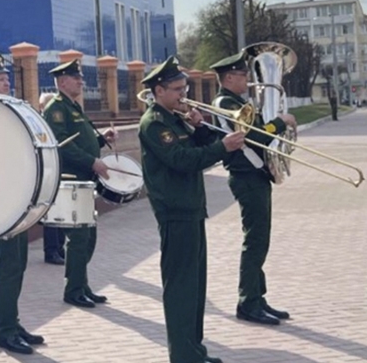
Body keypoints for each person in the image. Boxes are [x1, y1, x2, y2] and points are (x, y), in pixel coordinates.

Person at [139, 56, 244, 363]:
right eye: (176, 89)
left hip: (191, 208)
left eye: (183, 87)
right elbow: (183, 161)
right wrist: (221, 146)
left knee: (195, 285)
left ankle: (194, 350)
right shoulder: (155, 123)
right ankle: (183, 355)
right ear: (158, 90)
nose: (183, 95)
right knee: (181, 287)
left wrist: (200, 129)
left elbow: (200, 151)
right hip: (175, 212)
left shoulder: (173, 118)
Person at [210, 50, 297, 326]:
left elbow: (257, 131)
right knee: (255, 240)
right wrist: (281, 122)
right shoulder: (225, 103)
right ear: (230, 77)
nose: (248, 78)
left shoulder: (239, 101)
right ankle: (248, 301)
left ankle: (257, 297)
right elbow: (254, 137)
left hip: (256, 176)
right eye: (243, 74)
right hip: (246, 176)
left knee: (261, 239)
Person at [0, 53, 45, 355]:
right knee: (7, 265)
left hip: (17, 197)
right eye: (0, 77)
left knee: (17, 262)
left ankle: (12, 322)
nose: (7, 80)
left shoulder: (9, 111)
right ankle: (3, 329)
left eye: (7, 77)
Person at [42, 58, 116, 308]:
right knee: (78, 238)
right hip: (72, 180)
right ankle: (73, 290)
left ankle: (81, 285)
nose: (80, 81)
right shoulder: (56, 109)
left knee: (88, 237)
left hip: (84, 180)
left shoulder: (73, 106)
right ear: (63, 82)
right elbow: (63, 146)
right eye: (76, 78)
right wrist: (92, 161)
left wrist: (101, 139)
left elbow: (80, 140)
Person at [37, 92, 66, 266]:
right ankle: (51, 251)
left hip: (57, 171)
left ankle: (60, 248)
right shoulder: (39, 125)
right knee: (51, 213)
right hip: (47, 173)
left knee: (60, 211)